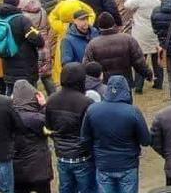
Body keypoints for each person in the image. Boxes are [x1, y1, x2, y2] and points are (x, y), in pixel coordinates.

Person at [80, 76, 150, 193]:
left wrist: (95, 155)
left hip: (103, 164)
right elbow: (146, 140)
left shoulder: (92, 110)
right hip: (127, 165)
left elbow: (85, 139)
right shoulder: (132, 112)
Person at [45, 62, 95, 193]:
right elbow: (91, 130)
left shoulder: (51, 100)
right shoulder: (87, 102)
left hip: (62, 155)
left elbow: (48, 127)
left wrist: (57, 138)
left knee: (66, 188)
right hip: (83, 156)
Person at [11, 80, 52, 193]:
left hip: (16, 170)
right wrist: (44, 106)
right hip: (39, 170)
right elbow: (50, 130)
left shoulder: (8, 116)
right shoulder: (37, 118)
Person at [1, 0, 46, 93]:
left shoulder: (0, 19)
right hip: (26, 70)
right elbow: (38, 40)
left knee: (11, 99)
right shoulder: (22, 20)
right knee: (29, 99)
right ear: (18, 4)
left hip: (7, 68)